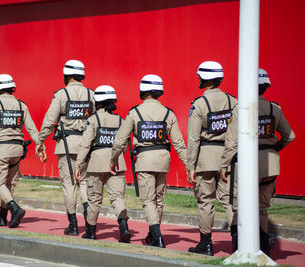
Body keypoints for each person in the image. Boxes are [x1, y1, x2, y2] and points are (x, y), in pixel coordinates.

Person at [220, 68, 295, 255]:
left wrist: (224, 165)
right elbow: (290, 136)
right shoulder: (275, 109)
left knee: (238, 205)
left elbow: (231, 141)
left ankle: (240, 248)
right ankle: (264, 248)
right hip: (269, 163)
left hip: (246, 163)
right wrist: (274, 148)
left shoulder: (241, 109)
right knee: (261, 208)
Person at [110, 74, 187, 248]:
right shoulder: (169, 113)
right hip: (163, 161)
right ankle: (153, 235)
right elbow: (179, 144)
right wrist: (189, 166)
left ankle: (158, 238)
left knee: (148, 200)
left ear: (142, 91)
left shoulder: (134, 113)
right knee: (158, 200)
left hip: (144, 161)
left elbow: (120, 140)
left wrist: (114, 159)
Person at [0, 74, 42, 228]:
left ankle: (14, 208)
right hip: (17, 150)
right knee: (9, 184)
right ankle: (2, 218)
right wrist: (39, 144)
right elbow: (32, 128)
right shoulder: (21, 105)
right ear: (12, 87)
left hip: (1, 149)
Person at [37, 60, 95, 235]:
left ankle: (73, 225)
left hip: (67, 145)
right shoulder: (91, 94)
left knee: (70, 184)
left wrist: (40, 141)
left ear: (66, 75)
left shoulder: (61, 95)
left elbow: (49, 120)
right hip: (86, 145)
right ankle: (87, 209)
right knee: (84, 181)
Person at [186, 61, 238, 256]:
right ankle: (238, 243)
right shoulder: (234, 102)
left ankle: (206, 244)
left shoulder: (199, 104)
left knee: (205, 201)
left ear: (204, 79)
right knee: (230, 202)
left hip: (205, 158)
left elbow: (193, 138)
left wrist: (191, 165)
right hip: (229, 157)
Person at [74, 85, 130, 242]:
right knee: (118, 198)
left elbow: (85, 145)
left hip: (96, 163)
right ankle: (124, 227)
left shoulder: (92, 120)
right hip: (117, 162)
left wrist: (78, 165)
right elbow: (123, 144)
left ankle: (90, 232)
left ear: (97, 102)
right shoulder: (120, 120)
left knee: (94, 199)